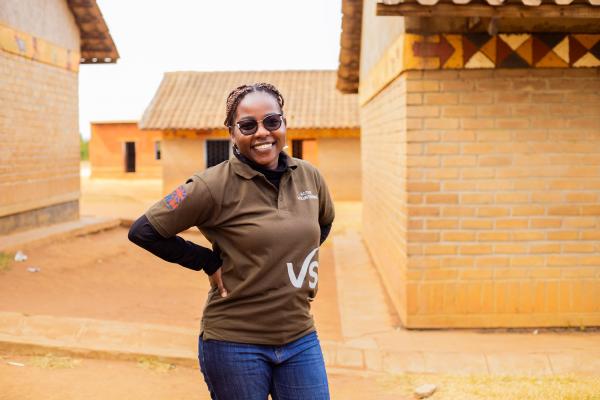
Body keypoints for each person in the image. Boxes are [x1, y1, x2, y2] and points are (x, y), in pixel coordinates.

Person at [128, 82, 335, 399]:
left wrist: (288, 263)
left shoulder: (309, 177)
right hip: (235, 343)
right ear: (232, 132)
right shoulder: (211, 185)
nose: (262, 133)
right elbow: (144, 230)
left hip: (299, 337)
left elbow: (323, 224)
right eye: (248, 125)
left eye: (272, 121)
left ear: (284, 123)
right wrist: (206, 261)